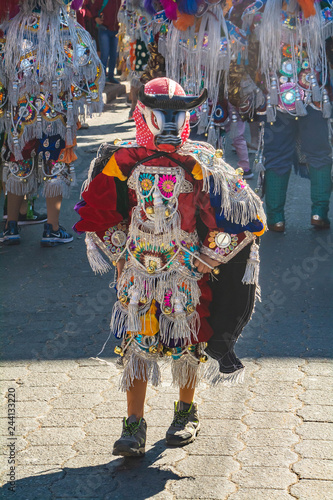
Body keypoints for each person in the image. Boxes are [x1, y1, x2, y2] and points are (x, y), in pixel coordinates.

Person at [74, 77, 266, 457]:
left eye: (178, 115)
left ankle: (185, 412)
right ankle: (133, 423)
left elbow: (240, 213)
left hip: (183, 270)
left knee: (186, 341)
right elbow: (99, 212)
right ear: (143, 113)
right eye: (163, 115)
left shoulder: (202, 160)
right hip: (137, 273)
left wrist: (210, 255)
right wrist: (121, 252)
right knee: (136, 344)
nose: (171, 123)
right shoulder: (121, 159)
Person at [0, 0, 104, 246]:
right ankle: (52, 229)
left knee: (18, 163)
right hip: (55, 113)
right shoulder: (69, 28)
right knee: (54, 166)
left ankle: (10, 226)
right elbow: (89, 69)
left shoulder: (13, 28)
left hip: (21, 114)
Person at [228, 0, 333, 232]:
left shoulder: (257, 13)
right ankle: (317, 213)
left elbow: (243, 59)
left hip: (280, 98)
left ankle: (276, 219)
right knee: (318, 154)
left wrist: (253, 90)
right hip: (309, 98)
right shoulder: (324, 11)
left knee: (280, 156)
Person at [91, 0, 122, 84]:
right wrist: (96, 18)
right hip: (104, 29)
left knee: (114, 54)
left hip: (116, 30)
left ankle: (111, 76)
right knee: (104, 54)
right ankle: (102, 78)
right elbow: (93, 8)